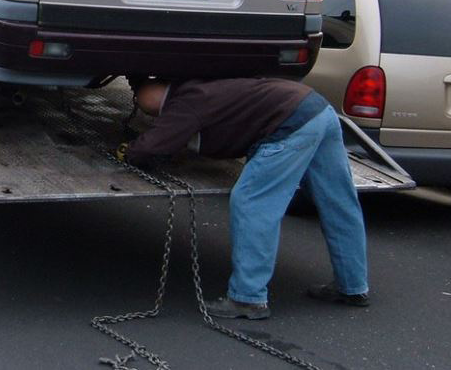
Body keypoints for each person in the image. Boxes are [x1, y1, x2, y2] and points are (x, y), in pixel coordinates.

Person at [126, 77, 369, 319]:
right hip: (319, 110)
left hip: (289, 123)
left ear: (160, 94)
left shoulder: (183, 103)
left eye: (145, 104)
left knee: (251, 202)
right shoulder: (201, 87)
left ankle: (248, 297)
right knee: (339, 203)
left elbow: (151, 147)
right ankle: (353, 286)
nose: (149, 112)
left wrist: (129, 152)